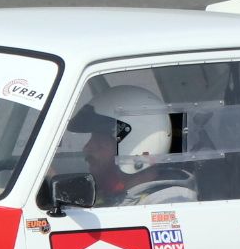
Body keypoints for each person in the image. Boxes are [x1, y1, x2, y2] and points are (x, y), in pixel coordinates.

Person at [66, 86, 196, 206]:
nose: (87, 148)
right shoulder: (120, 198)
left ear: (137, 146)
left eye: (99, 140)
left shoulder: (168, 203)